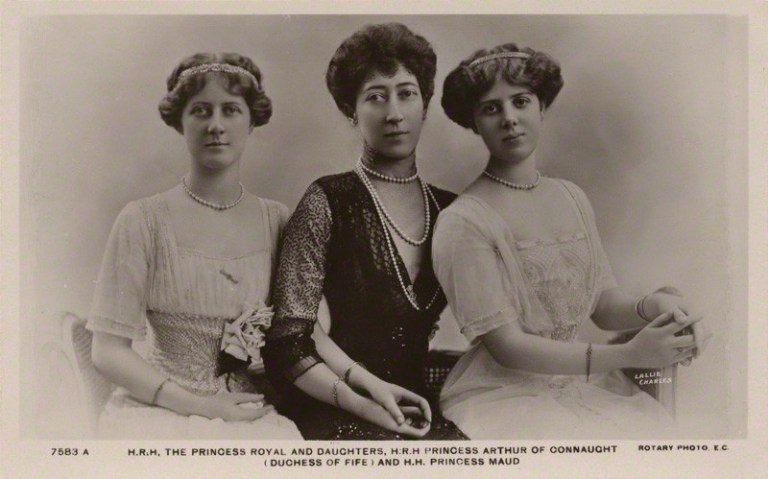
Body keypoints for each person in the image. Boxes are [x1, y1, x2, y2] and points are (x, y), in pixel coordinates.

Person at [432, 43, 710, 439]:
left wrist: (656, 306)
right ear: (475, 123)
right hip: (506, 398)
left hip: (586, 382)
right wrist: (629, 355)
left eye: (521, 101)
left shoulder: (571, 197)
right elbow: (508, 347)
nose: (509, 118)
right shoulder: (464, 221)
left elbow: (602, 306)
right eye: (491, 108)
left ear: (541, 107)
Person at [263, 23, 467, 440]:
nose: (394, 113)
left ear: (425, 104)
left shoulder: (453, 211)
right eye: (376, 97)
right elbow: (288, 341)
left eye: (406, 93)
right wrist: (368, 405)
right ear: (351, 110)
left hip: (417, 404)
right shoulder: (328, 199)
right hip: (333, 403)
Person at [87, 52, 301, 439]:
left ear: (252, 121)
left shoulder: (278, 221)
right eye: (200, 111)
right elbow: (107, 351)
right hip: (158, 410)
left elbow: (308, 331)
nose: (216, 126)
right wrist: (201, 407)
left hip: (248, 410)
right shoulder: (142, 219)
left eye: (231, 110)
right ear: (180, 122)